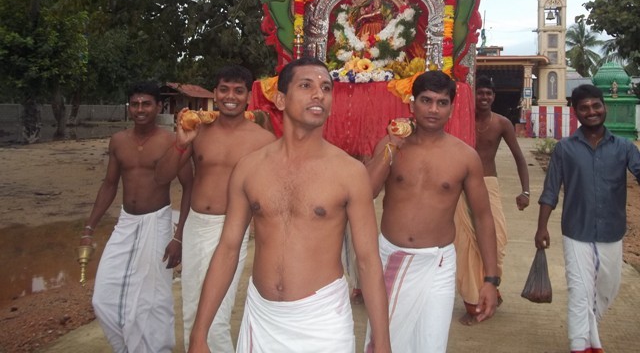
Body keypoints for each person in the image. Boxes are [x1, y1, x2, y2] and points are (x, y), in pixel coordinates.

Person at [188, 57, 391, 353]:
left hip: (323, 320)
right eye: (306, 86)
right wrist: (199, 334)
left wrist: (381, 342)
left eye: (326, 88)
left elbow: (368, 260)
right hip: (261, 318)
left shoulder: (349, 172)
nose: (319, 94)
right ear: (281, 99)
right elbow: (228, 249)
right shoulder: (250, 168)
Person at [364, 70, 499, 352]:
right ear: (412, 103)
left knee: (431, 343)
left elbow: (483, 217)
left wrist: (490, 279)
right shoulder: (390, 145)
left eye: (442, 102)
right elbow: (367, 192)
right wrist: (392, 147)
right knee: (383, 343)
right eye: (426, 100)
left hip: (438, 264)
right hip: (391, 258)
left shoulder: (465, 156)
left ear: (452, 108)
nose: (433, 109)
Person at [155, 65, 275, 352]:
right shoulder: (198, 131)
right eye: (224, 89)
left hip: (232, 230)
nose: (230, 96)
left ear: (248, 97)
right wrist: (180, 145)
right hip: (197, 226)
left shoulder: (263, 141)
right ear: (215, 93)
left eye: (238, 91)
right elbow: (161, 177)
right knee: (192, 311)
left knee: (217, 316)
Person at [79, 81, 193, 352]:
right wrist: (89, 227)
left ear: (159, 107)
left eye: (146, 104)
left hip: (157, 222)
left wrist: (178, 237)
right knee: (103, 298)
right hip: (126, 222)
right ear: (129, 107)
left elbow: (189, 187)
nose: (140, 109)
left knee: (152, 300)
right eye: (135, 104)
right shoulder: (118, 141)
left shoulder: (172, 141)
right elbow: (109, 185)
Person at [535, 84, 640, 353]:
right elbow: (550, 191)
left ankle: (590, 339)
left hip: (612, 231)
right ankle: (579, 345)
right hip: (576, 231)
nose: (591, 111)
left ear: (604, 107)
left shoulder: (624, 148)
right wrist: (541, 227)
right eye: (584, 108)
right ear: (576, 112)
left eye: (596, 106)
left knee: (607, 290)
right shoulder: (565, 148)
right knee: (580, 291)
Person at [454, 75, 531, 325]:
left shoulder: (502, 123)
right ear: (472, 95)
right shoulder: (460, 120)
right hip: (461, 185)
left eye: (488, 93)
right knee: (465, 243)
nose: (484, 97)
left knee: (496, 239)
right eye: (480, 92)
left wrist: (526, 191)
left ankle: (491, 286)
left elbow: (519, 157)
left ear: (494, 97)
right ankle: (472, 301)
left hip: (488, 183)